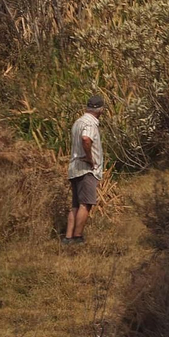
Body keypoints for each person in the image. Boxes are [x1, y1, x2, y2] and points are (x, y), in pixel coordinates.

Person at [64, 94, 106, 245]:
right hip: (85, 169)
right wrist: (89, 158)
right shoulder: (90, 123)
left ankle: (68, 238)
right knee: (86, 203)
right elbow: (86, 139)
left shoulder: (78, 122)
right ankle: (77, 237)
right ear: (100, 109)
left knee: (75, 204)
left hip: (74, 168)